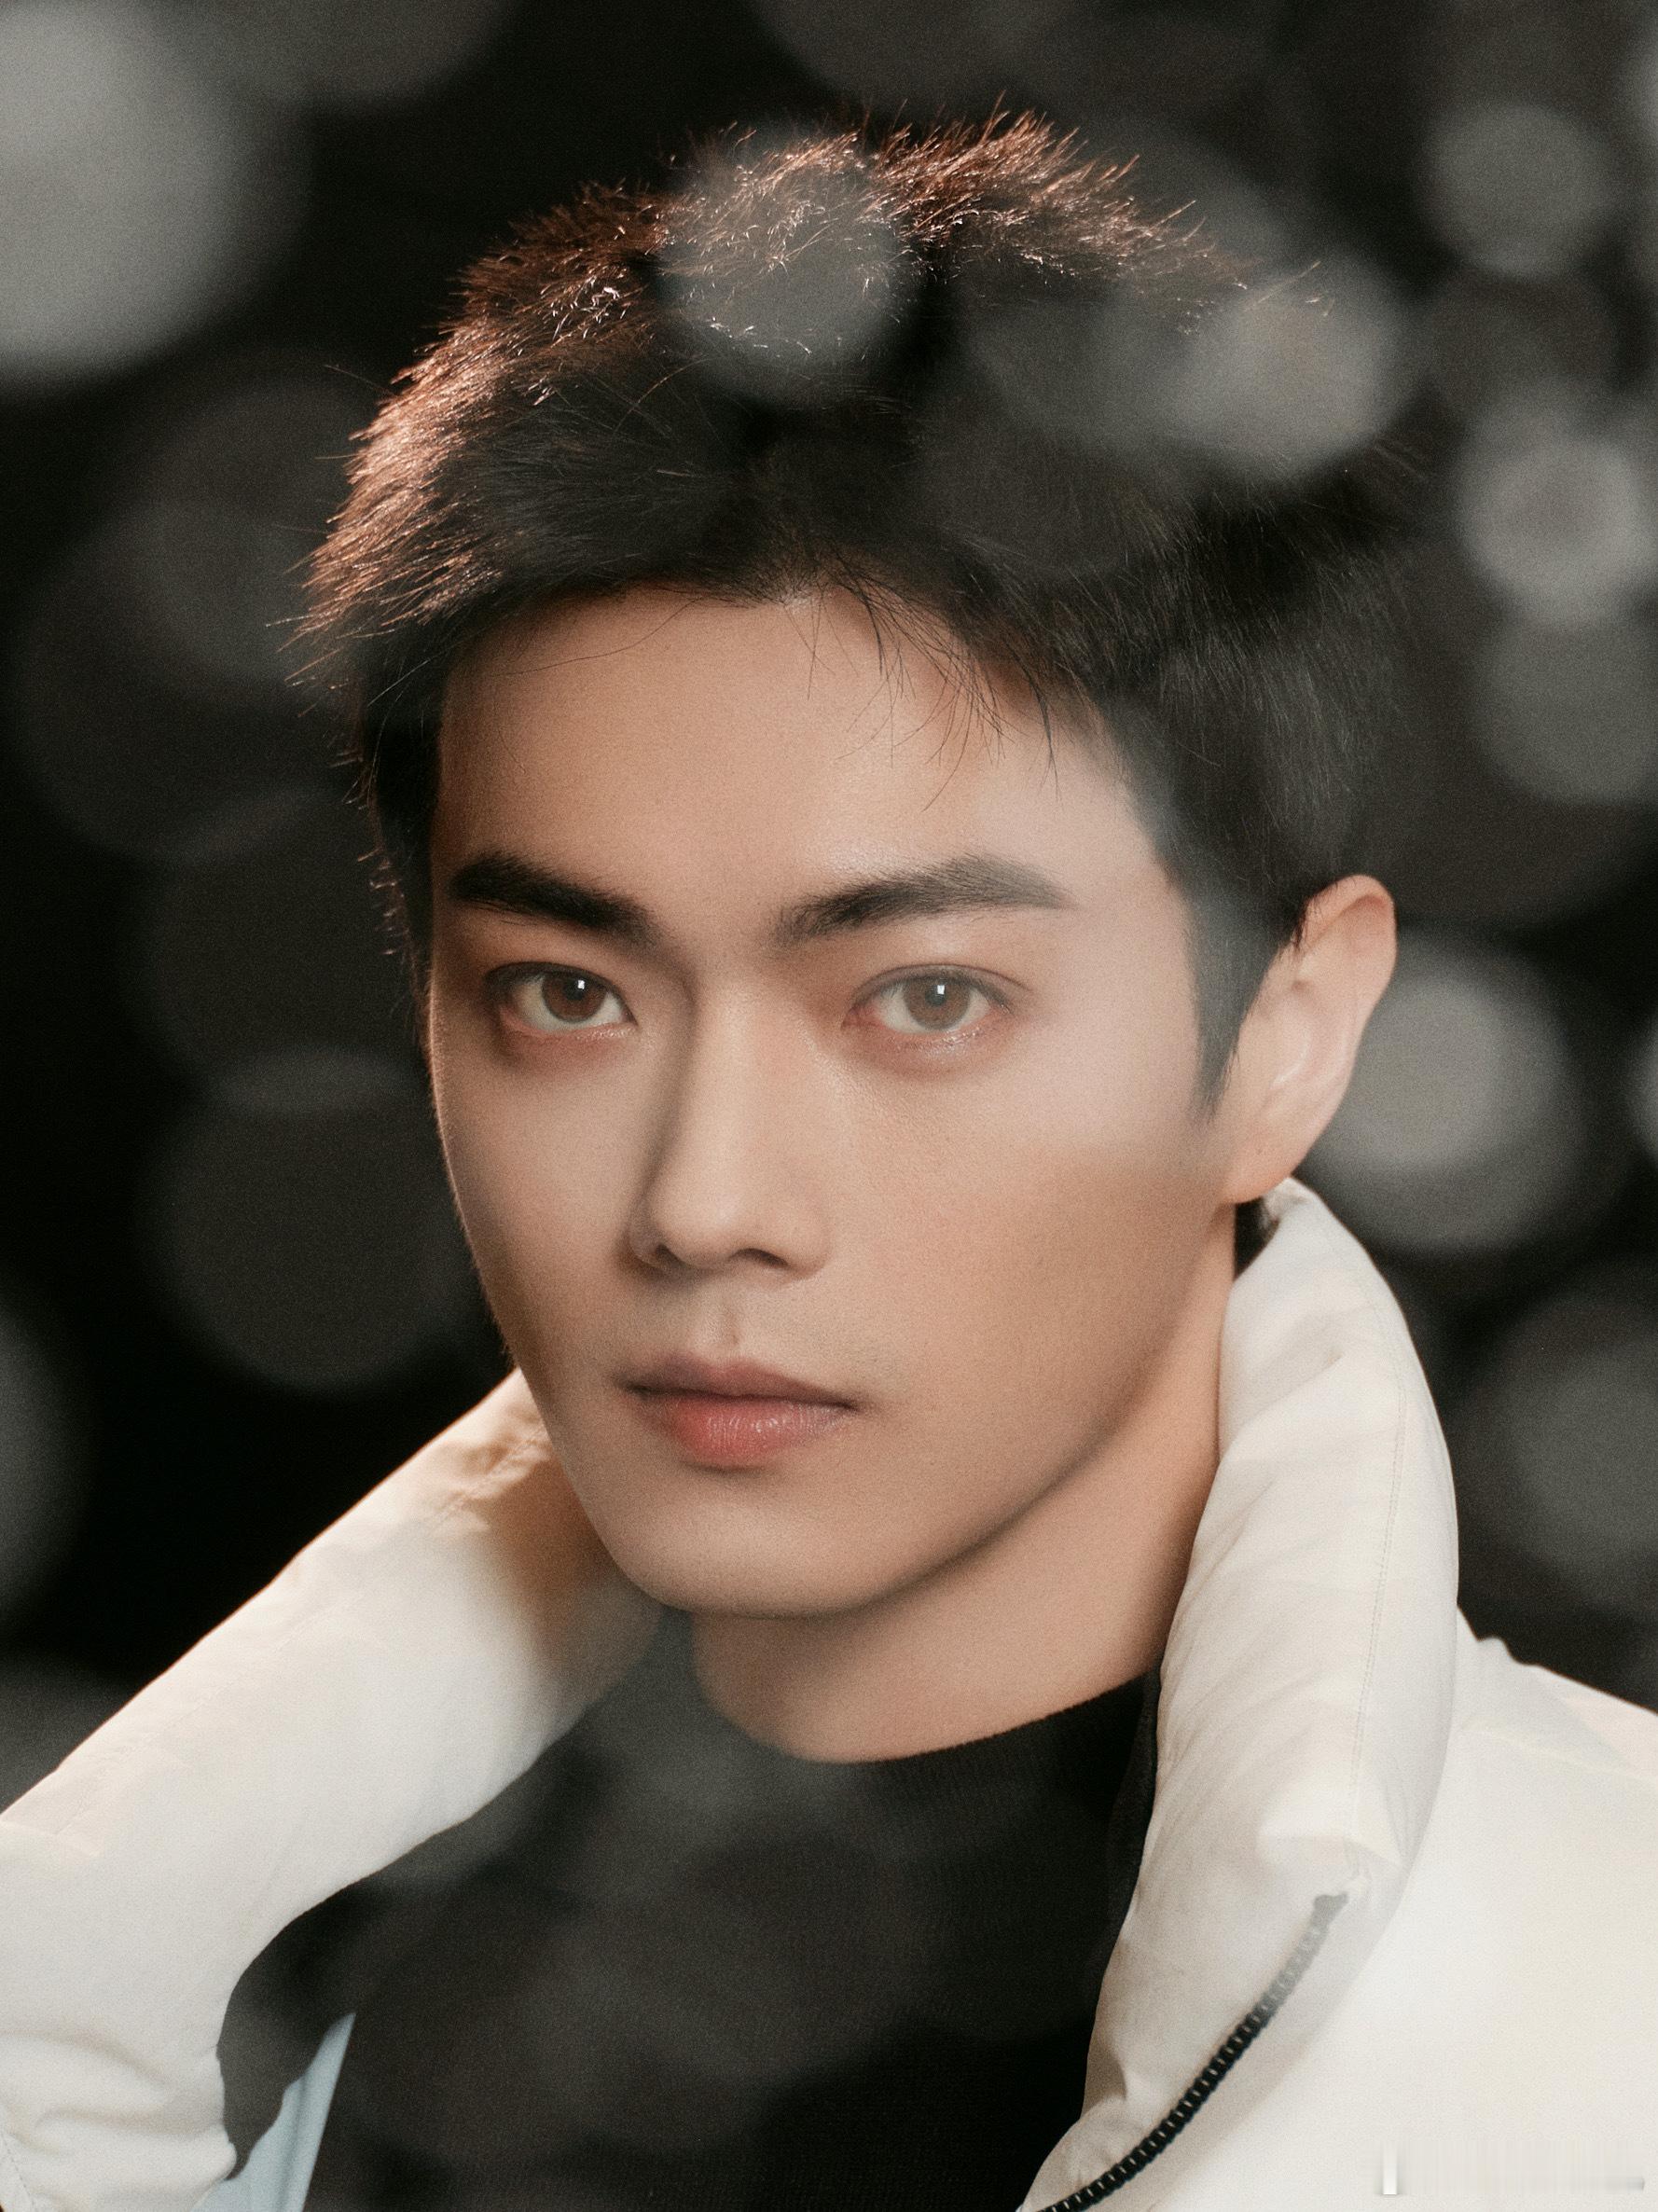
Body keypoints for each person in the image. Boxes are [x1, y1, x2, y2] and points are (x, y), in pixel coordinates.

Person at [1, 112, 1654, 2212]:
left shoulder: (1612, 1998)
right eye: (567, 995)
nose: (704, 1201)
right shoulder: (218, 1989)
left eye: (924, 999)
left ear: (1286, 1035)